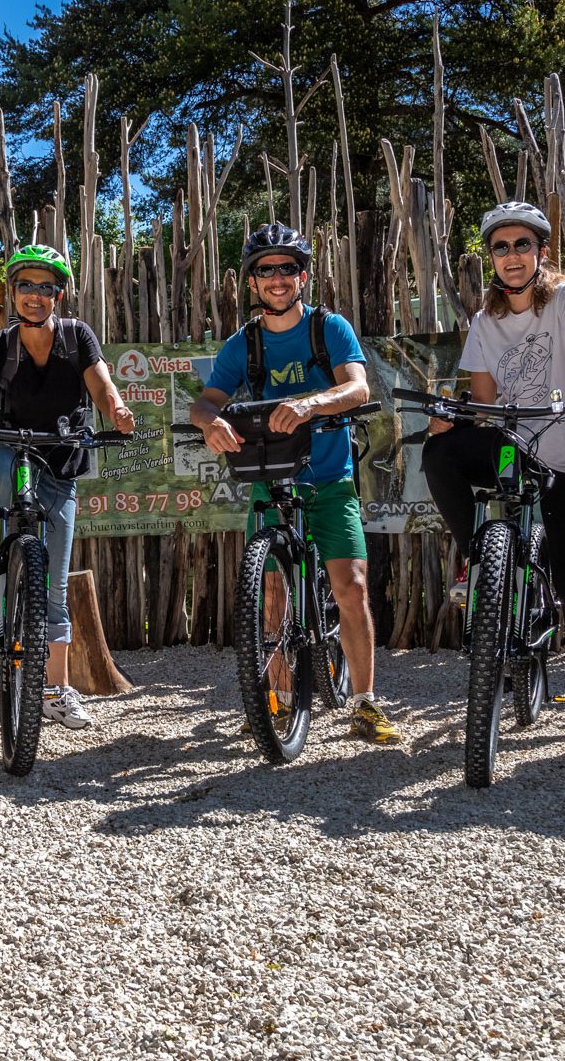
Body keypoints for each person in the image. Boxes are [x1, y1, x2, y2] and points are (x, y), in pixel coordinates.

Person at [421, 202, 565, 741]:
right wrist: (454, 419)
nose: (512, 255)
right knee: (439, 452)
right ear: (490, 257)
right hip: (512, 445)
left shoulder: (563, 297)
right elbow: (485, 401)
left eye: (522, 244)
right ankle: (477, 560)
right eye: (501, 247)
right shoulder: (484, 320)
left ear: (542, 250)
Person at [187, 223, 402, 745]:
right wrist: (209, 424)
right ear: (252, 282)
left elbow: (357, 388)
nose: (277, 278)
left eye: (287, 268)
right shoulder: (244, 343)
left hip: (329, 478)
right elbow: (206, 402)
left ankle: (365, 703)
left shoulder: (329, 329)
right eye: (266, 270)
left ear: (303, 276)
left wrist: (310, 403)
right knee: (271, 595)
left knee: (351, 586)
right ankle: (278, 700)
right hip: (271, 479)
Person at [0, 244, 136, 731]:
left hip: (60, 462)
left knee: (55, 588)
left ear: (59, 295)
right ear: (11, 292)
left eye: (45, 287)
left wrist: (117, 409)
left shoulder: (77, 337)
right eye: (25, 286)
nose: (35, 295)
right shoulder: (2, 345)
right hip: (7, 450)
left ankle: (56, 692)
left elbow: (101, 386)